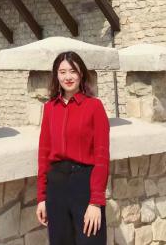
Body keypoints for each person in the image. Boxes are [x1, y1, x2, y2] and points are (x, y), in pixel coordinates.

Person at [35, 51, 110, 245]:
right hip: (56, 188)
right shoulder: (50, 108)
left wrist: (96, 202)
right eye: (62, 72)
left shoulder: (94, 107)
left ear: (81, 74)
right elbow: (43, 154)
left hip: (84, 185)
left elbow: (102, 157)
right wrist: (42, 197)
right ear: (56, 76)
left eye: (73, 71)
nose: (68, 77)